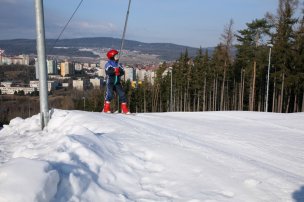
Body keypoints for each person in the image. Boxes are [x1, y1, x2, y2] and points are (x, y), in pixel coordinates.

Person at [103, 49, 130, 114]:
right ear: (112, 56)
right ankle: (106, 107)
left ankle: (124, 108)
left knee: (122, 94)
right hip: (110, 81)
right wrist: (114, 71)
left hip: (117, 82)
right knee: (109, 94)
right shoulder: (108, 64)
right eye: (116, 55)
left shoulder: (118, 64)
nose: (117, 57)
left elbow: (122, 71)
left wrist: (119, 72)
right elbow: (108, 71)